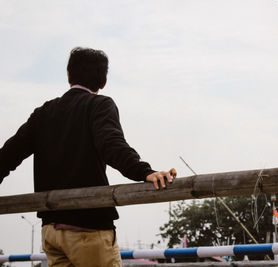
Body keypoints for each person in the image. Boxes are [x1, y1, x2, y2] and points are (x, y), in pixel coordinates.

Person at [0, 47, 177, 267]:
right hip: (89, 228)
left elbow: (8, 155)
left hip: (51, 231)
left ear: (68, 75)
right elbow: (112, 146)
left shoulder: (43, 113)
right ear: (103, 82)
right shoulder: (99, 105)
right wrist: (145, 171)